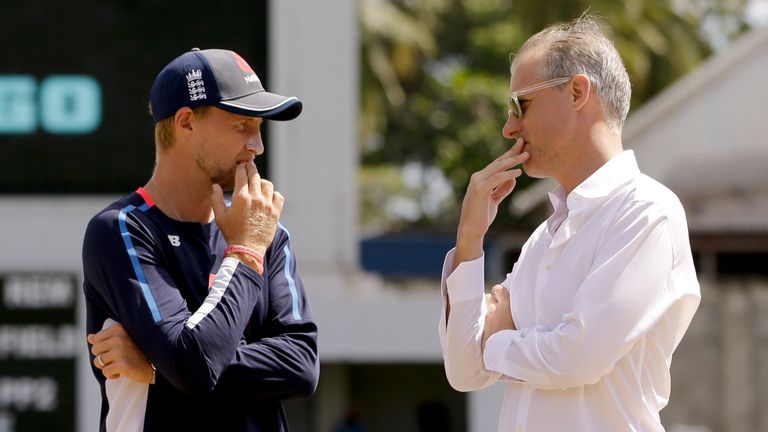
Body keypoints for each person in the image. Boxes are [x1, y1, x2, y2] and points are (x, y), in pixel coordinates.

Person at [438, 15, 701, 431]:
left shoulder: (647, 211)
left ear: (577, 91)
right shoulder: (544, 236)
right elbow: (463, 371)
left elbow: (578, 358)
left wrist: (497, 339)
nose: (509, 127)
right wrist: (470, 239)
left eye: (520, 104)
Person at [82, 48, 318, 432]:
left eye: (260, 128)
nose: (257, 146)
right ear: (186, 122)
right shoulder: (122, 229)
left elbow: (301, 367)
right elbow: (192, 367)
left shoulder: (267, 232)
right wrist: (245, 253)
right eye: (242, 125)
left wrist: (158, 368)